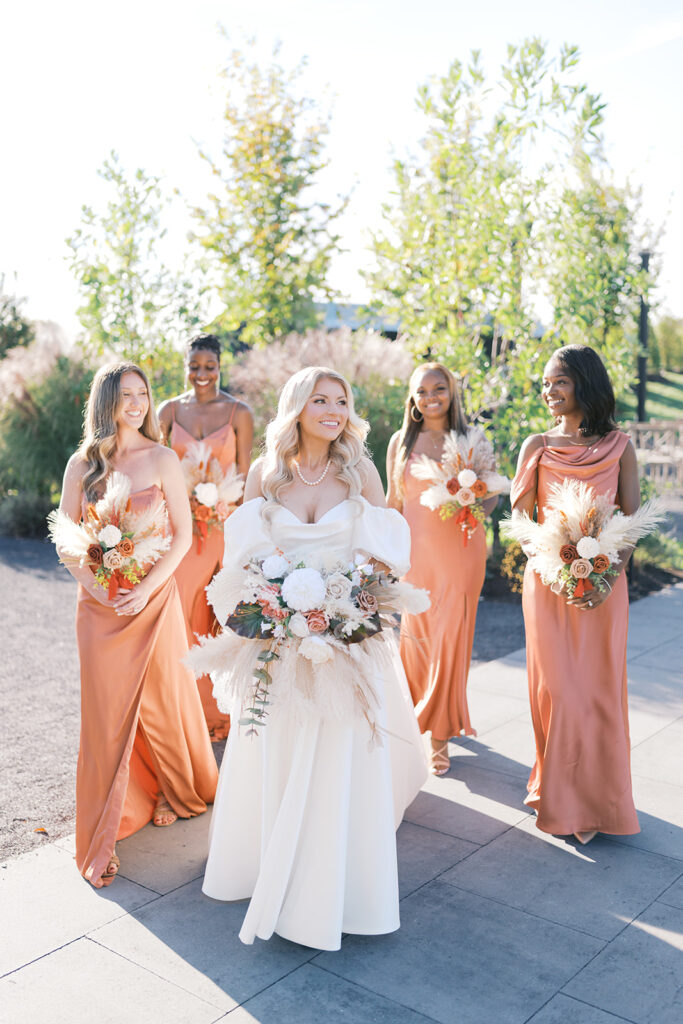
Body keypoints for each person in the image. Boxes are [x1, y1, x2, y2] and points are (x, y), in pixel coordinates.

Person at [196, 366, 427, 949]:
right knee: (276, 747)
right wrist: (275, 606)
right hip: (278, 640)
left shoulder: (361, 473)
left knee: (339, 759)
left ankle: (336, 889)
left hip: (344, 639)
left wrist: (346, 602)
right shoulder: (266, 473)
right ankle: (269, 866)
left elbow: (386, 558)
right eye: (320, 399)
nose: (333, 409)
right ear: (296, 406)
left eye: (341, 400)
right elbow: (242, 561)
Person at [55, 362, 218, 887]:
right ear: (105, 402)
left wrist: (146, 589)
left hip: (153, 599)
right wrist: (99, 587)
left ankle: (174, 787)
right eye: (125, 394)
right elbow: (66, 536)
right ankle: (110, 821)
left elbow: (184, 537)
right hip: (99, 607)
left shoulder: (163, 457)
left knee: (164, 698)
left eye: (143, 393)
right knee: (106, 714)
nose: (137, 403)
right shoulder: (83, 464)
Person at [511, 344, 640, 844]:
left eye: (557, 382)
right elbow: (521, 522)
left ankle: (598, 804)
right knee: (558, 692)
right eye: (545, 383)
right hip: (548, 584)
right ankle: (560, 796)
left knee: (597, 695)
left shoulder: (621, 446)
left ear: (584, 383)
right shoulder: (536, 445)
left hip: (607, 588)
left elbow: (629, 521)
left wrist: (606, 576)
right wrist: (553, 566)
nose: (548, 391)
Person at [386, 363, 500, 776]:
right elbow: (392, 503)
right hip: (415, 558)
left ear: (452, 393)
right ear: (412, 399)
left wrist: (474, 498)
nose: (431, 397)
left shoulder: (472, 439)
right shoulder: (402, 441)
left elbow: (492, 498)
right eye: (422, 391)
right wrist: (382, 556)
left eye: (439, 389)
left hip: (461, 552)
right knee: (415, 639)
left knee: (450, 639)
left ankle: (438, 735)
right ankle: (413, 719)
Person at [159, 334, 253, 741]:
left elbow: (247, 477)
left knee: (220, 619)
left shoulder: (239, 412)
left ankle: (219, 713)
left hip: (223, 530)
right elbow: (154, 468)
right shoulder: (167, 410)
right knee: (180, 618)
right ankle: (182, 710)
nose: (202, 374)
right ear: (185, 366)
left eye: (209, 366)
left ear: (220, 366)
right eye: (194, 366)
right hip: (178, 531)